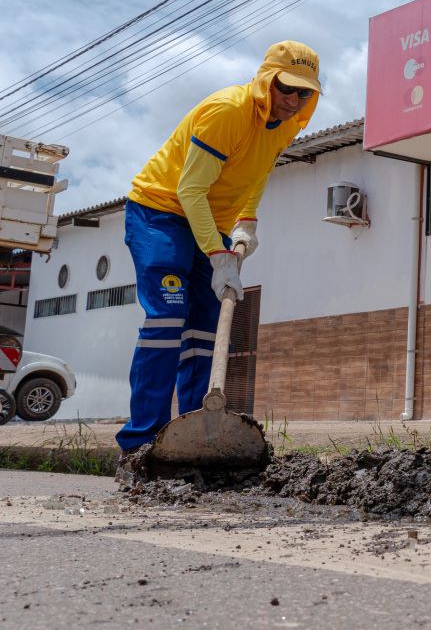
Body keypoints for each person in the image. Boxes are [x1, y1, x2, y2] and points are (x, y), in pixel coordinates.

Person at [115, 41, 321, 463]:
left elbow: (259, 173)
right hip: (161, 212)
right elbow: (190, 190)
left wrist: (248, 220)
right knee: (168, 317)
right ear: (266, 82)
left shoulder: (286, 124)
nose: (294, 99)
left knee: (204, 330)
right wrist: (217, 252)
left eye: (305, 92)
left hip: (213, 223)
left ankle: (190, 435)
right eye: (287, 88)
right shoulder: (228, 111)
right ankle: (140, 443)